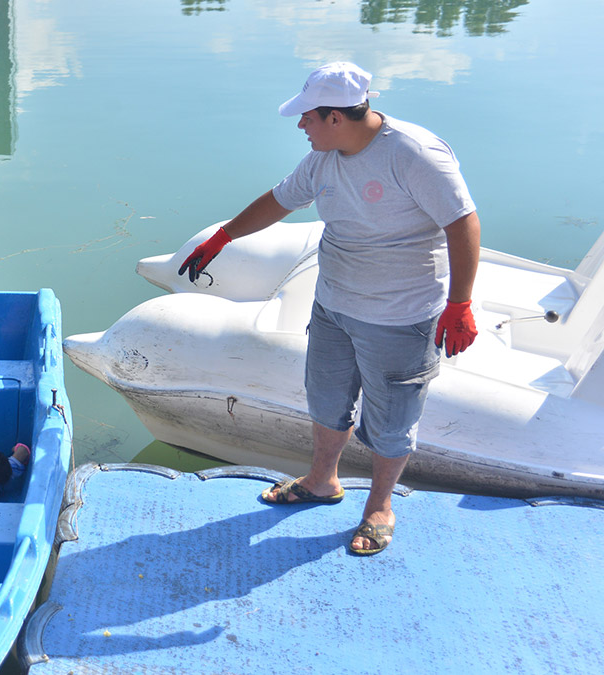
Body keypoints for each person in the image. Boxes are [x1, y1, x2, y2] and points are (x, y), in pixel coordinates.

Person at [179, 62, 480, 555]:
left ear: (336, 117)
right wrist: (224, 236)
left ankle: (380, 506)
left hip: (400, 316)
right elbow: (280, 201)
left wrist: (460, 303)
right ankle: (322, 481)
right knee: (325, 398)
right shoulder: (324, 158)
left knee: (391, 418)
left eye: (307, 118)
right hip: (334, 305)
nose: (300, 126)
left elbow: (463, 223)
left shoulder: (414, 154)